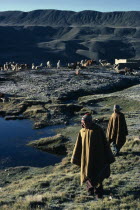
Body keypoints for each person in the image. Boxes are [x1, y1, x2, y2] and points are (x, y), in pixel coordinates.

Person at [71, 113, 115, 198]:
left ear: (90, 122)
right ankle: (90, 190)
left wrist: (108, 156)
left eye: (85, 122)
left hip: (98, 158)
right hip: (86, 159)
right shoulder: (82, 131)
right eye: (82, 122)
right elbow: (78, 145)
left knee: (97, 175)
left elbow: (105, 144)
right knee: (87, 174)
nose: (83, 124)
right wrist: (76, 157)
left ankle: (99, 192)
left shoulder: (98, 130)